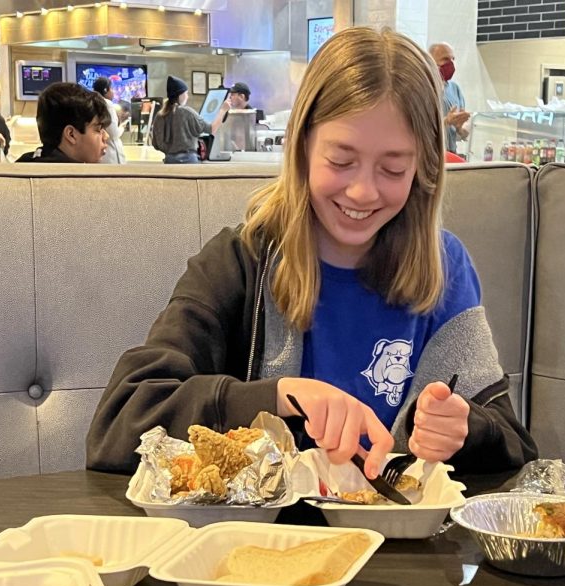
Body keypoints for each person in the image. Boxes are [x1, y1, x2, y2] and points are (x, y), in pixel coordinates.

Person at [87, 27, 537, 477]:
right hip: (262, 541)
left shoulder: (445, 267)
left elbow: (514, 444)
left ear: (423, 168)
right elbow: (120, 423)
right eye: (341, 162)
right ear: (302, 147)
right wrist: (279, 397)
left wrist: (464, 429)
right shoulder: (241, 261)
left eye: (393, 168)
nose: (362, 191)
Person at [16, 83, 110, 164]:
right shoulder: (80, 181)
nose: (106, 136)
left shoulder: (21, 166)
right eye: (98, 130)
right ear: (71, 134)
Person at [151, 75, 229, 164]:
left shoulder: (160, 115)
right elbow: (212, 129)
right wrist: (223, 110)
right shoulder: (187, 112)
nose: (187, 96)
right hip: (189, 161)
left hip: (169, 161)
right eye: (186, 93)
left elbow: (156, 144)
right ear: (180, 95)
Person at [428, 42, 470, 155]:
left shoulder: (455, 89)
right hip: (430, 154)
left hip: (451, 153)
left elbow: (464, 132)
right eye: (445, 59)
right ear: (430, 61)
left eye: (453, 59)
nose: (451, 63)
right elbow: (418, 129)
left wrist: (460, 128)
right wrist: (446, 121)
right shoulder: (422, 89)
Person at [92, 76, 127, 165]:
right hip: (110, 155)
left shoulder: (92, 102)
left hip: (98, 154)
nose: (113, 92)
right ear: (105, 90)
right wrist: (122, 127)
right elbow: (113, 133)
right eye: (111, 88)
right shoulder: (107, 104)